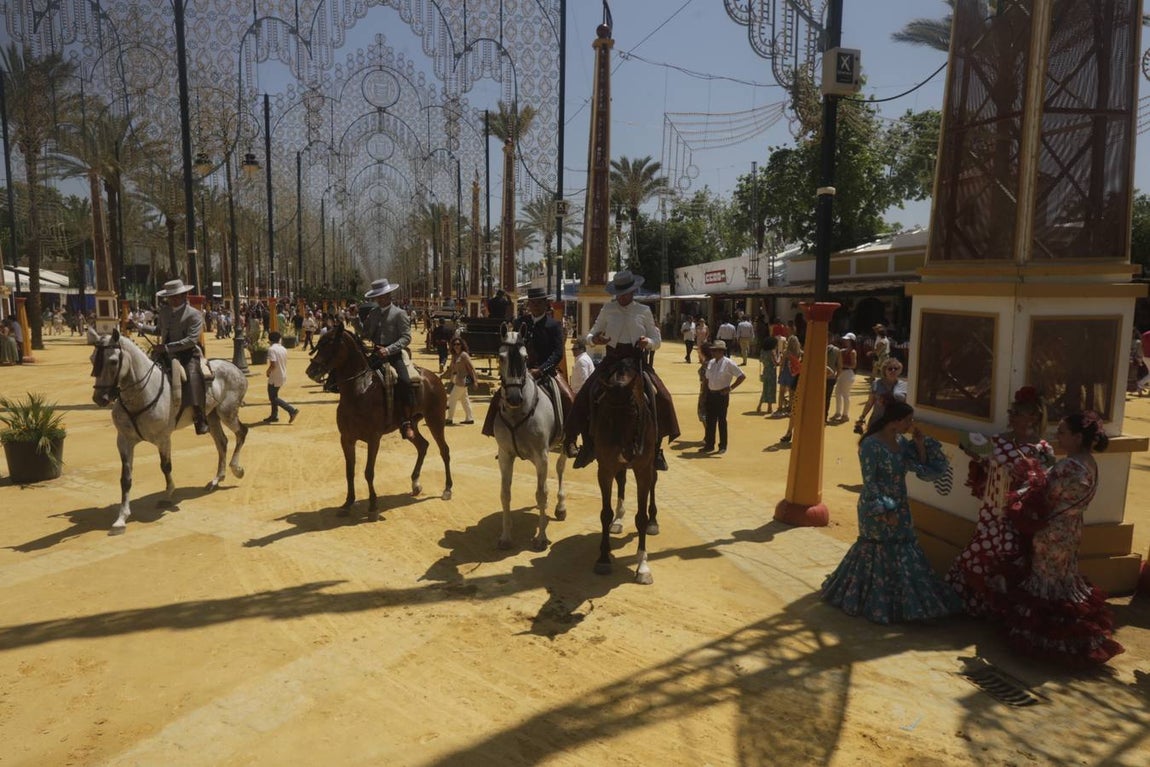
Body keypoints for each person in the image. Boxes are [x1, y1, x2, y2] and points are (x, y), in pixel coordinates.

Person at [996, 411, 1124, 665]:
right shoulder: (1089, 462)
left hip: (1052, 530)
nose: (1058, 436)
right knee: (1063, 578)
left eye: (1063, 432)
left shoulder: (1068, 466)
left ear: (1078, 437)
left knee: (1047, 580)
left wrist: (1029, 481)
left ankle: (1045, 640)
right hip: (1071, 528)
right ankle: (1072, 640)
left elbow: (1045, 496)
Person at [822, 401, 961, 624]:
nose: (911, 424)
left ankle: (903, 605)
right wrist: (884, 511)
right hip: (875, 505)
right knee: (878, 549)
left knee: (903, 548)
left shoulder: (901, 442)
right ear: (895, 421)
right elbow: (870, 482)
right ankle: (876, 603)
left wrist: (920, 445)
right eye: (908, 420)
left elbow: (922, 468)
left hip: (901, 503)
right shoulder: (870, 445)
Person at [947, 386, 1055, 617]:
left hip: (1018, 513)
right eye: (1011, 412)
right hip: (992, 508)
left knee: (1008, 554)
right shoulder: (997, 441)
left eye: (1017, 413)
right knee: (981, 552)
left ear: (1033, 417)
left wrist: (1026, 477)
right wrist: (978, 458)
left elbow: (1044, 482)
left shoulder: (1043, 449)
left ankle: (1001, 607)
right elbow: (985, 468)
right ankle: (979, 602)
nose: (1012, 417)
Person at [564, 270, 680, 472]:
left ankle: (656, 448)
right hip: (612, 360)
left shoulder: (644, 311)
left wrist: (647, 342)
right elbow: (590, 335)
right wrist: (595, 339)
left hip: (637, 361)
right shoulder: (607, 309)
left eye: (626, 293)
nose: (622, 297)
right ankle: (583, 443)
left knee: (663, 396)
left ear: (633, 292)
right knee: (585, 393)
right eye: (619, 294)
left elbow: (657, 340)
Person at [481, 287, 572, 436]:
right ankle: (491, 429)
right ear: (528, 304)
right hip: (521, 371)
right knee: (498, 396)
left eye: (539, 302)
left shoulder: (554, 325)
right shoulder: (520, 322)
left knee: (568, 397)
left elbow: (558, 353)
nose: (536, 306)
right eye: (533, 303)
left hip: (547, 371)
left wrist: (541, 370)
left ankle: (570, 437)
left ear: (545, 304)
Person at [140, 279, 210, 435]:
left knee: (192, 378)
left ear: (184, 296)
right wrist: (141, 327)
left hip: (187, 354)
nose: (172, 299)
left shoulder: (194, 314)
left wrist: (166, 347)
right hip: (163, 353)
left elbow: (191, 340)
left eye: (175, 296)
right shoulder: (164, 312)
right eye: (170, 297)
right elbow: (159, 330)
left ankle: (199, 416)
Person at [361, 277, 415, 440]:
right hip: (376, 353)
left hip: (393, 355)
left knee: (404, 381)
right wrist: (358, 321)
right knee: (357, 376)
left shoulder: (399, 313)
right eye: (378, 297)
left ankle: (407, 421)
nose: (380, 299)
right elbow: (366, 334)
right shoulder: (373, 313)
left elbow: (406, 337)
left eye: (383, 296)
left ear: (389, 295)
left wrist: (389, 349)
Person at [700, 340, 745, 454]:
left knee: (721, 420)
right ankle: (709, 445)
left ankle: (722, 446)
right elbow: (706, 379)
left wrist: (730, 388)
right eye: (713, 350)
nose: (713, 352)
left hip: (721, 395)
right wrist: (704, 393)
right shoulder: (711, 362)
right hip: (711, 394)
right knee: (710, 421)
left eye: (715, 351)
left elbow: (741, 376)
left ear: (721, 351)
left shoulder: (729, 363)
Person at [855, 357, 907, 433]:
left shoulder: (905, 386)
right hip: (877, 422)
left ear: (899, 370)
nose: (893, 370)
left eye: (896, 368)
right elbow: (870, 403)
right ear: (884, 370)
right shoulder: (876, 384)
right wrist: (862, 417)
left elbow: (906, 406)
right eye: (890, 369)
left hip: (895, 424)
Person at [263, 331, 300, 424]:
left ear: (270, 340)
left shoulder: (272, 349)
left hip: (274, 376)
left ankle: (291, 410)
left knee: (273, 398)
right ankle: (274, 415)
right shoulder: (283, 348)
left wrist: (268, 371)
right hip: (282, 374)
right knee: (274, 396)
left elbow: (273, 365)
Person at [445, 337, 477, 425]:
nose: (456, 346)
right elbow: (450, 369)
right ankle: (469, 418)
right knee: (464, 399)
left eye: (458, 344)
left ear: (462, 345)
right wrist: (441, 376)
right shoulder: (454, 356)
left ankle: (449, 418)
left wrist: (475, 381)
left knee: (452, 399)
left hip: (463, 381)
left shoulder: (464, 355)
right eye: (454, 344)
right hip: (457, 380)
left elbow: (471, 368)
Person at [831, 333, 858, 423]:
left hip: (848, 373)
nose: (845, 341)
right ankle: (838, 413)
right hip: (842, 372)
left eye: (847, 340)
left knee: (845, 394)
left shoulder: (853, 352)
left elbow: (853, 365)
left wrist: (841, 365)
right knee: (837, 393)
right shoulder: (842, 351)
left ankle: (845, 415)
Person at [757, 334, 779, 415]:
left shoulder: (762, 351)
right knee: (771, 389)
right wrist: (780, 357)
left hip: (765, 370)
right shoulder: (772, 352)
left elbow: (761, 360)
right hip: (771, 372)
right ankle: (769, 408)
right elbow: (776, 363)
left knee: (765, 389)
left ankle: (759, 405)